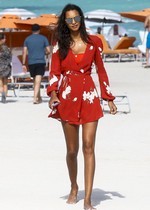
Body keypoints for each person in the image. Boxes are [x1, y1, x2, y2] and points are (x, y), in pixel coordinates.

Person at [47, 4, 117, 210]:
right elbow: (54, 71)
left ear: (82, 18)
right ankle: (73, 186)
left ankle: (87, 199)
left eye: (76, 18)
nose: (73, 22)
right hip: (67, 97)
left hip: (89, 96)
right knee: (71, 150)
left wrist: (108, 97)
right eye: (69, 20)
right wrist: (53, 94)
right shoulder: (60, 43)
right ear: (65, 22)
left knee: (88, 146)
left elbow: (101, 71)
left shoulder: (94, 42)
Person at [22, 24, 50, 104]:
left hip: (31, 62)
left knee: (35, 81)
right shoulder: (43, 38)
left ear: (31, 30)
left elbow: (24, 52)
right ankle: (35, 98)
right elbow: (48, 50)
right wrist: (44, 52)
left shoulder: (27, 39)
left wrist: (23, 64)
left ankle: (39, 97)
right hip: (40, 61)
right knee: (38, 81)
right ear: (39, 30)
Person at [0, 33, 12, 103]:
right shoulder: (6, 48)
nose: (5, 39)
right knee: (5, 83)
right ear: (2, 39)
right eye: (4, 38)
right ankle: (5, 97)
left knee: (0, 83)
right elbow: (10, 58)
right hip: (6, 67)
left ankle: (2, 93)